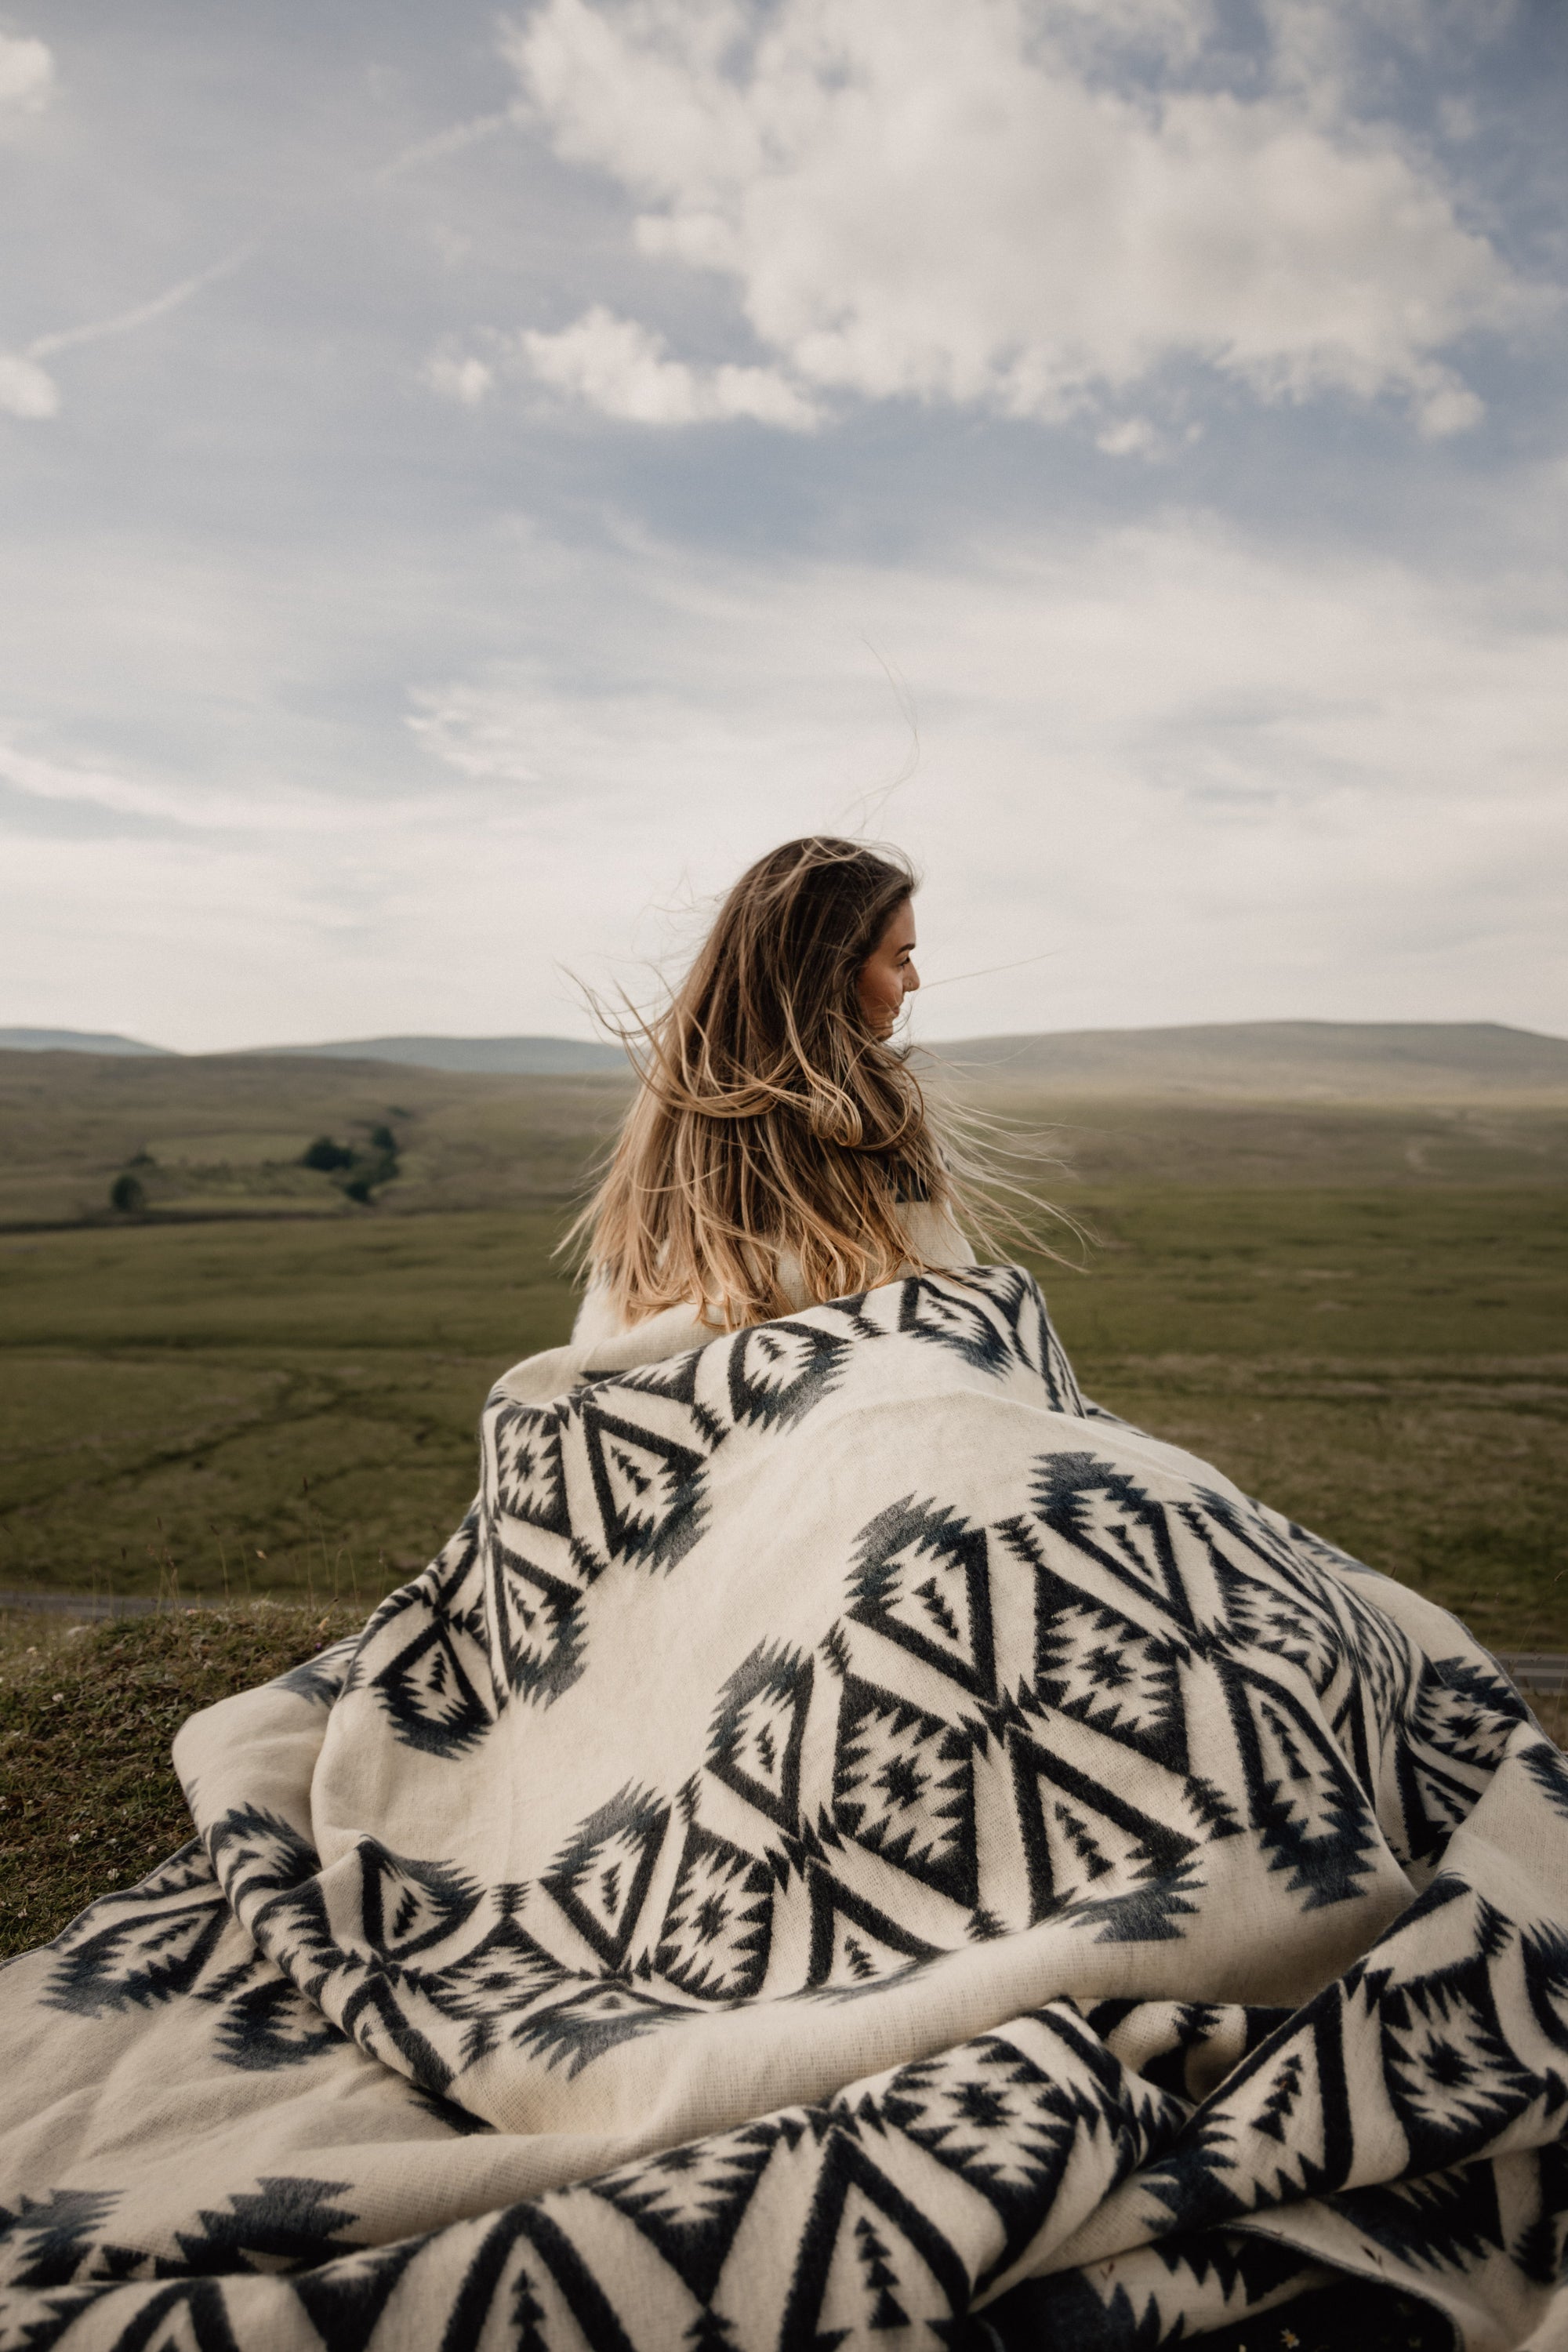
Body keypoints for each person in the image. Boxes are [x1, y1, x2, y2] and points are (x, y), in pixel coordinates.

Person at [568, 835, 982, 1348]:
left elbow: (609, 1323)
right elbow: (948, 1317)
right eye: (900, 960)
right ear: (832, 972)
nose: (914, 981)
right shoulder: (874, 1130)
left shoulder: (666, 1131)